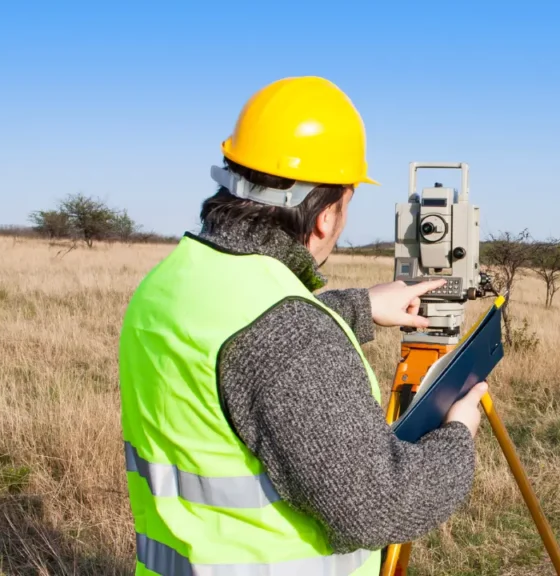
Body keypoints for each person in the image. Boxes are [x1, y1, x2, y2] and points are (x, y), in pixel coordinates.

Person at [118, 76, 489, 576]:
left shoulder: (167, 284)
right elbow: (381, 506)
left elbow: (240, 341)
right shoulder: (288, 334)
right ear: (325, 215)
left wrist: (357, 306)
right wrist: (458, 437)